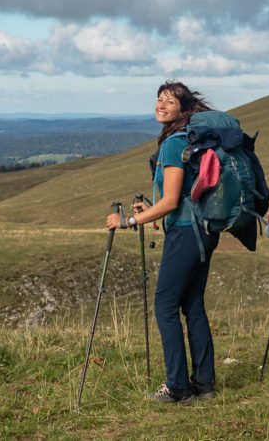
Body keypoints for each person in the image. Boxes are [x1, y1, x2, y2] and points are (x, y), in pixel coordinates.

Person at [105, 80, 218, 404]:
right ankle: (205, 384)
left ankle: (178, 387)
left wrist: (129, 220)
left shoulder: (173, 145)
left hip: (185, 233)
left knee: (165, 306)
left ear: (183, 109)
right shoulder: (189, 141)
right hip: (204, 232)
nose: (161, 105)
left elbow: (170, 201)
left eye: (169, 101)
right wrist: (151, 212)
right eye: (159, 99)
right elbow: (180, 197)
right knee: (193, 305)